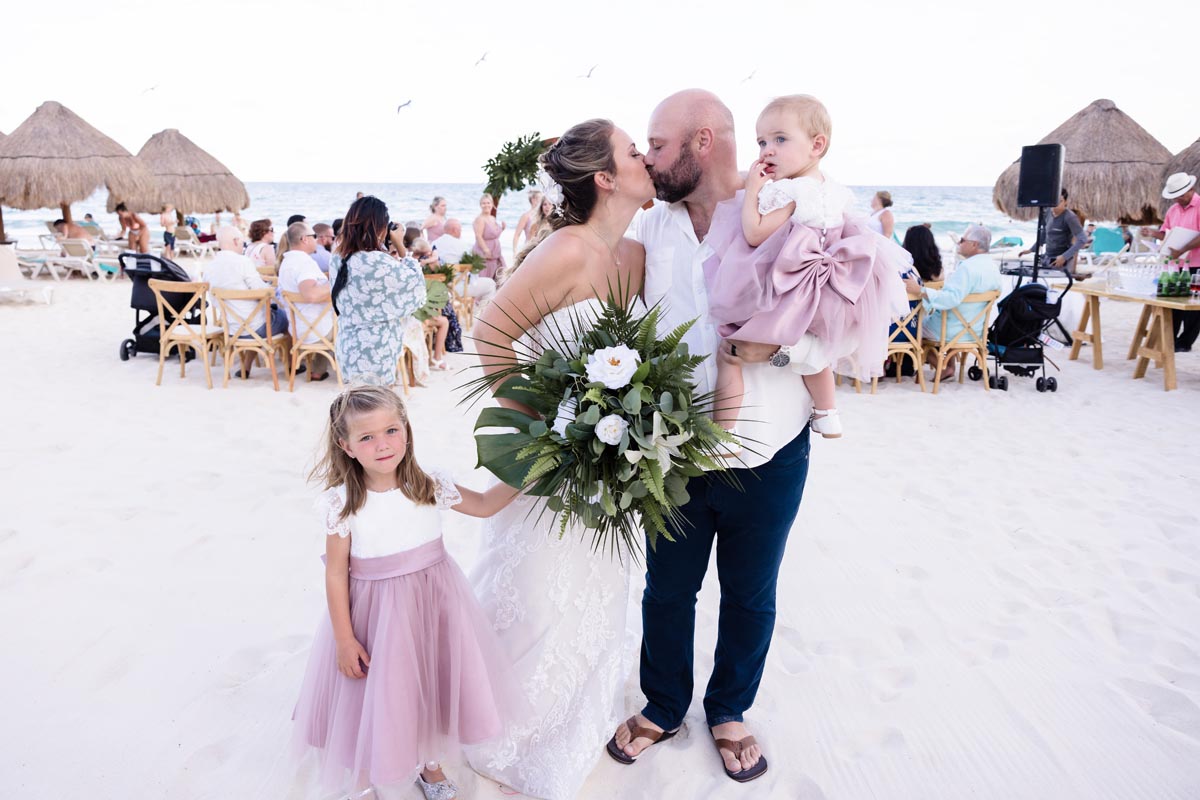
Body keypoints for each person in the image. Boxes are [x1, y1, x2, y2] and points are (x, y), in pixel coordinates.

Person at [608, 89, 816, 785]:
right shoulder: (651, 227)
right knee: (666, 591)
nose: (648, 159)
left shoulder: (785, 208)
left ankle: (729, 710)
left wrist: (778, 352)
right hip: (674, 450)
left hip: (769, 446)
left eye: (657, 145)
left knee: (750, 593)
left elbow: (837, 324)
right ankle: (664, 706)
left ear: (703, 142)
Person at [466, 118, 653, 800]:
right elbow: (489, 331)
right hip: (558, 458)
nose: (646, 158)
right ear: (605, 178)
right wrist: (542, 429)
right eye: (634, 152)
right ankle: (505, 727)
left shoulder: (635, 256)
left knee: (597, 587)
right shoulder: (565, 250)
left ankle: (577, 711)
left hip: (613, 462)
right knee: (538, 590)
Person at [294, 385, 522, 799]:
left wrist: (531, 472)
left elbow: (485, 505)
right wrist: (344, 639)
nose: (382, 444)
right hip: (377, 614)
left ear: (406, 431)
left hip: (433, 604)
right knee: (385, 689)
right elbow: (336, 574)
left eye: (391, 430)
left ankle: (429, 763)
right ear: (346, 446)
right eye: (366, 437)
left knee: (430, 683)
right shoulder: (343, 504)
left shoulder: (428, 484)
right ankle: (377, 763)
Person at [704, 94, 909, 443]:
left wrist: (752, 190)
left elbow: (754, 234)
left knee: (730, 354)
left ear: (817, 145)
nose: (767, 150)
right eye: (762, 142)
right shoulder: (834, 191)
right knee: (818, 353)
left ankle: (724, 433)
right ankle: (827, 414)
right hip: (826, 290)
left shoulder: (789, 192)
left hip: (790, 288)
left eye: (780, 139)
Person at [329, 196, 427, 385]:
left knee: (356, 397)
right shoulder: (379, 261)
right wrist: (400, 245)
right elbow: (416, 286)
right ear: (380, 227)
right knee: (377, 399)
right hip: (377, 346)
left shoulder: (337, 257)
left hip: (347, 342)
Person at [904, 224, 1001, 380]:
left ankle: (942, 367)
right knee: (945, 315)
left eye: (962, 240)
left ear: (974, 244)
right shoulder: (993, 267)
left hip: (951, 329)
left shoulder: (967, 268)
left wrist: (920, 290)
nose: (959, 243)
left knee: (911, 330)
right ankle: (948, 365)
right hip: (975, 330)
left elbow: (950, 299)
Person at [205, 226, 290, 377]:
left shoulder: (210, 266)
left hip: (232, 329)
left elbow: (214, 299)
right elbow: (263, 292)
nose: (243, 246)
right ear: (235, 241)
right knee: (287, 317)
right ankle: (291, 366)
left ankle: (246, 367)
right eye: (242, 242)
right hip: (257, 328)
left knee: (255, 314)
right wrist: (272, 289)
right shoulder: (242, 262)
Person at [1143, 172, 1200, 352]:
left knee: (1193, 307)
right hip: (1175, 265)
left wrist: (1183, 249)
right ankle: (1170, 340)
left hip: (1196, 265)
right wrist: (1153, 233)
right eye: (1175, 196)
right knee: (1172, 303)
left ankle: (1185, 343)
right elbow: (1165, 233)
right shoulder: (1173, 210)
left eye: (1181, 195)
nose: (1178, 199)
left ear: (1191, 189)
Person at [278, 222, 332, 380]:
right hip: (317, 330)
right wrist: (335, 284)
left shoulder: (287, 262)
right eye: (314, 236)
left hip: (298, 330)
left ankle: (318, 371)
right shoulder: (303, 263)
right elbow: (311, 294)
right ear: (304, 239)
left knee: (327, 314)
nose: (316, 239)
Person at [1020, 189, 1086, 277]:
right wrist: (1031, 249)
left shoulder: (1070, 217)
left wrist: (1064, 257)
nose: (1056, 204)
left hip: (1062, 261)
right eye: (1054, 201)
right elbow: (1044, 233)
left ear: (1065, 202)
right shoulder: (1047, 212)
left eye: (1060, 201)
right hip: (1048, 257)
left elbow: (1082, 239)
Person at [471, 194, 506, 279]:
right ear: (480, 205)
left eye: (488, 203)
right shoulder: (480, 219)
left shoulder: (492, 218)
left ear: (492, 204)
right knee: (484, 278)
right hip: (484, 254)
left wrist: (502, 229)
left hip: (495, 254)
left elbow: (493, 235)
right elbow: (478, 236)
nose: (486, 205)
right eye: (483, 203)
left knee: (499, 277)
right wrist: (486, 250)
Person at [511, 188, 543, 260]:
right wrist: (515, 251)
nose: (541, 201)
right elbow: (517, 235)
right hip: (529, 248)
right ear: (533, 200)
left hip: (542, 247)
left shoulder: (543, 216)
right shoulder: (526, 216)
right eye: (539, 198)